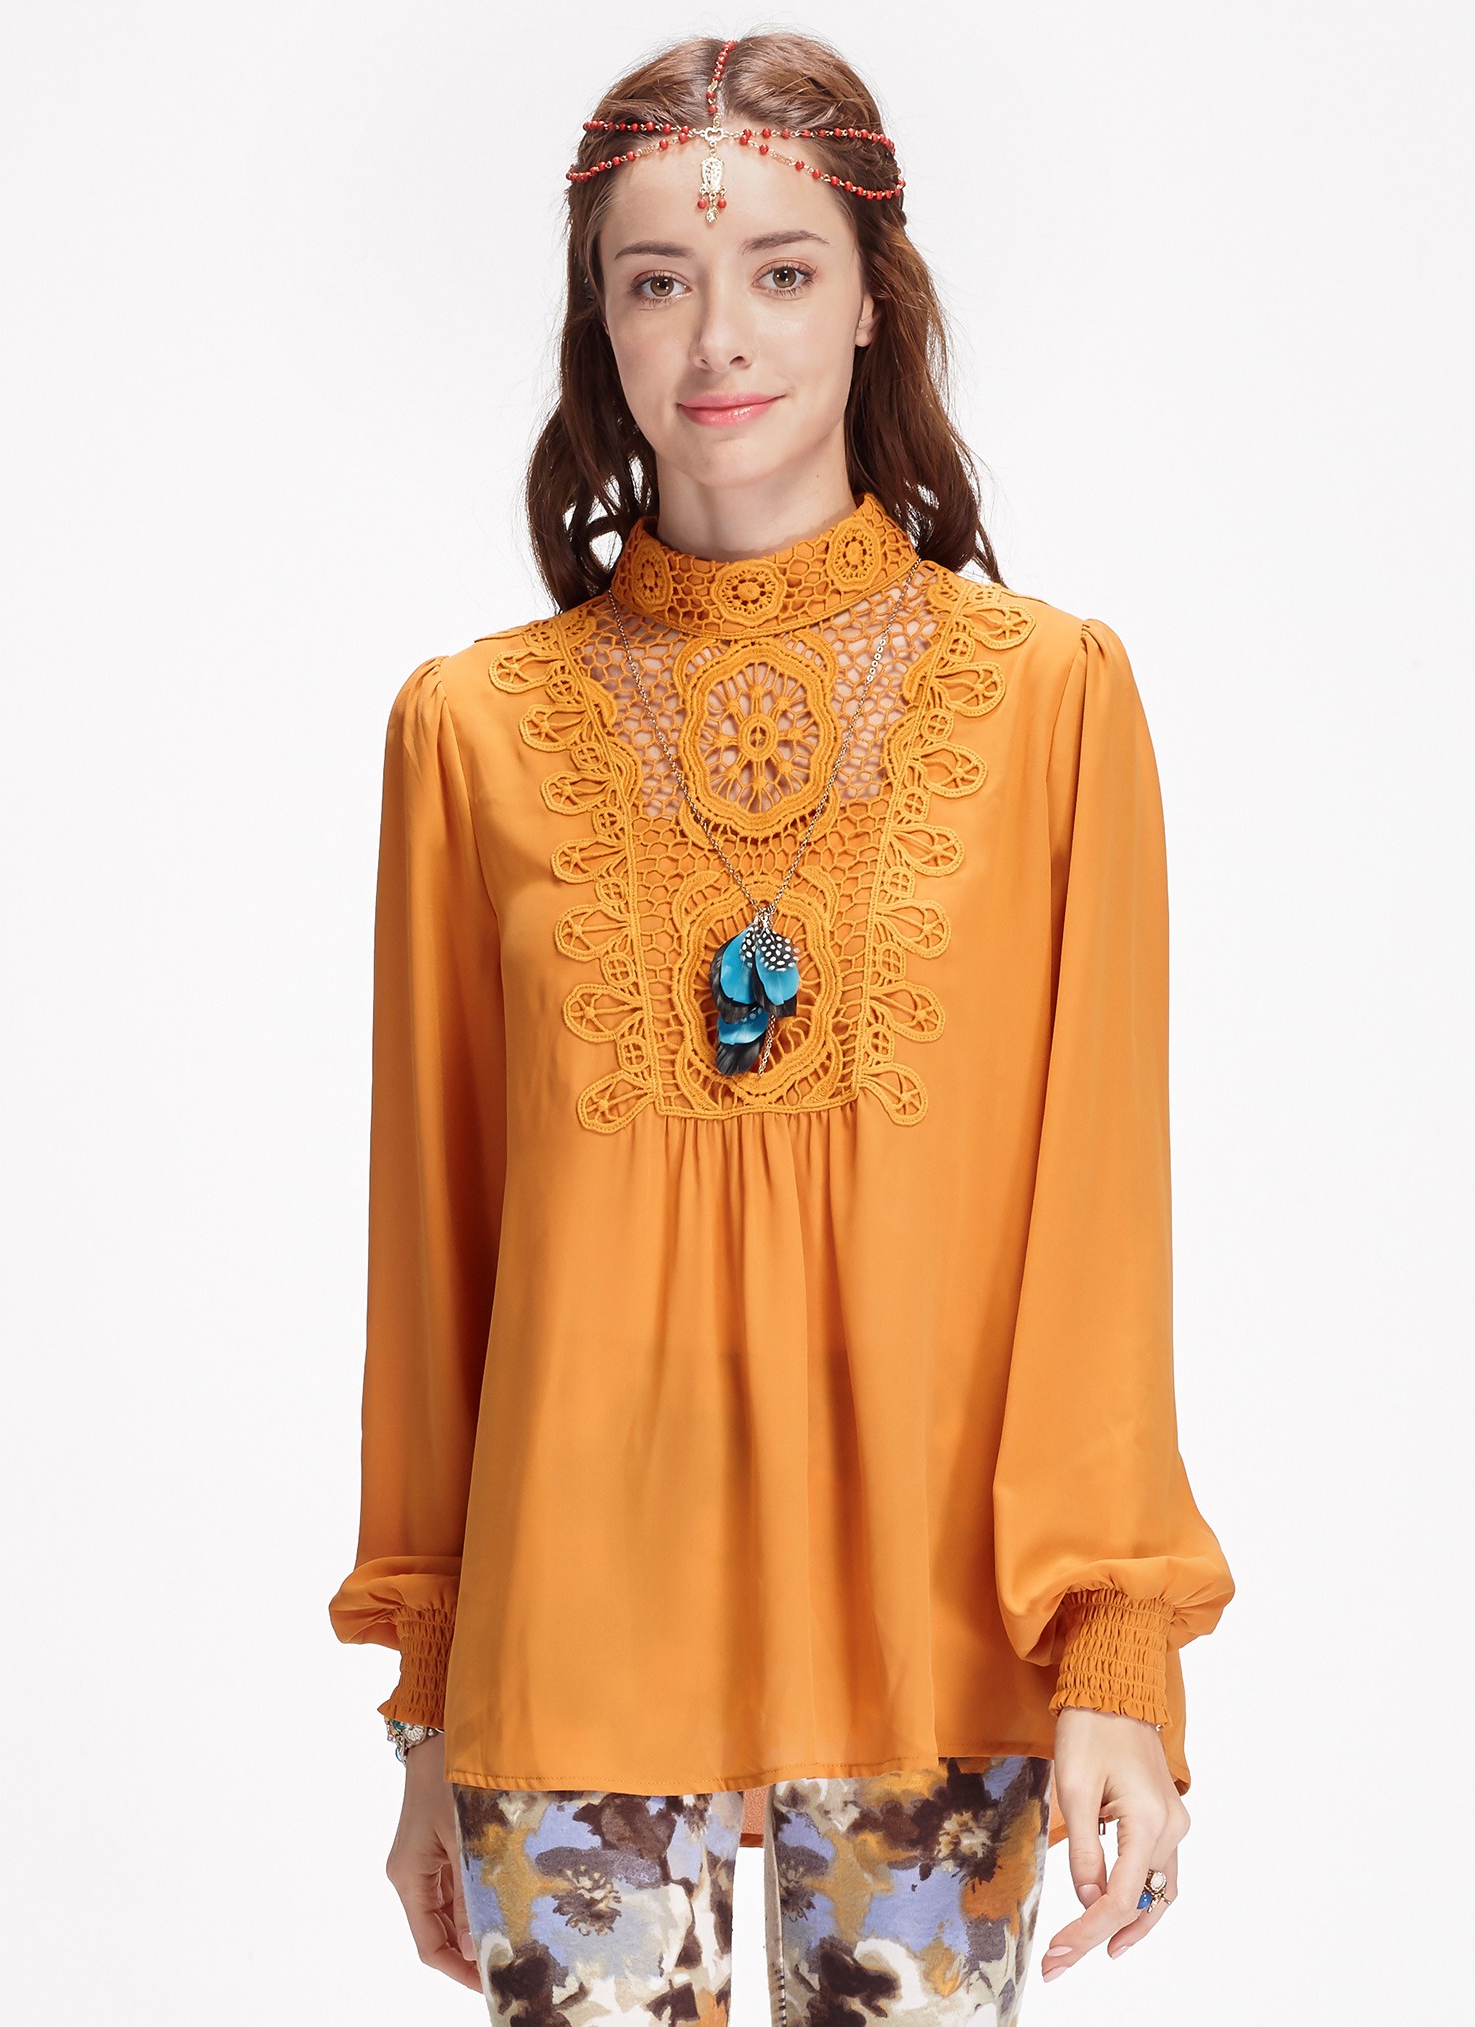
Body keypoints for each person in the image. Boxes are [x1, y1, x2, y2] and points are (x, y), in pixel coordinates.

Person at [327, 30, 1235, 2024]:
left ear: (873, 303)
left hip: (941, 1649)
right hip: (568, 1660)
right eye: (656, 278)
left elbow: (1095, 1226)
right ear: (600, 320)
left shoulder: (1049, 705)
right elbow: (438, 1261)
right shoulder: (469, 735)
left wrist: (1118, 1655)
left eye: (781, 270)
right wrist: (427, 1713)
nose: (717, 334)